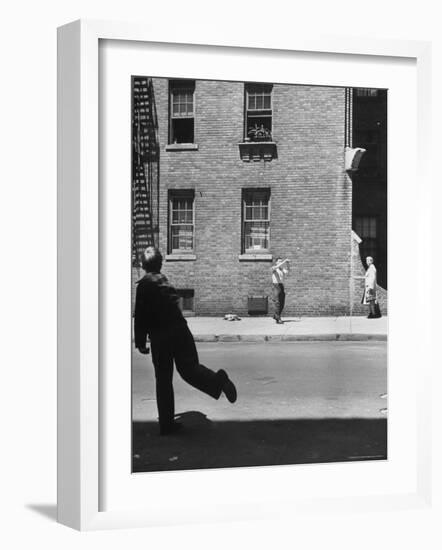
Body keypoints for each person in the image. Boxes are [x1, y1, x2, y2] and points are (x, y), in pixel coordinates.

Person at [134, 247, 237, 435]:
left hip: (161, 336)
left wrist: (140, 342)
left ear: (143, 265)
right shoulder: (164, 281)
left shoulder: (144, 285)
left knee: (163, 380)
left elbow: (140, 316)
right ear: (160, 264)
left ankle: (166, 424)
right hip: (181, 331)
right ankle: (218, 381)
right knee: (190, 370)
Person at [271, 256, 290, 324]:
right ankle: (278, 319)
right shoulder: (274, 268)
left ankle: (276, 315)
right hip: (276, 285)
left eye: (281, 261)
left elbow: (287, 272)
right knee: (277, 302)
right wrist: (284, 261)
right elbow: (276, 267)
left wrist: (287, 264)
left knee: (282, 302)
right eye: (279, 261)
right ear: (276, 262)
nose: (280, 262)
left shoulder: (281, 269)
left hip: (281, 286)